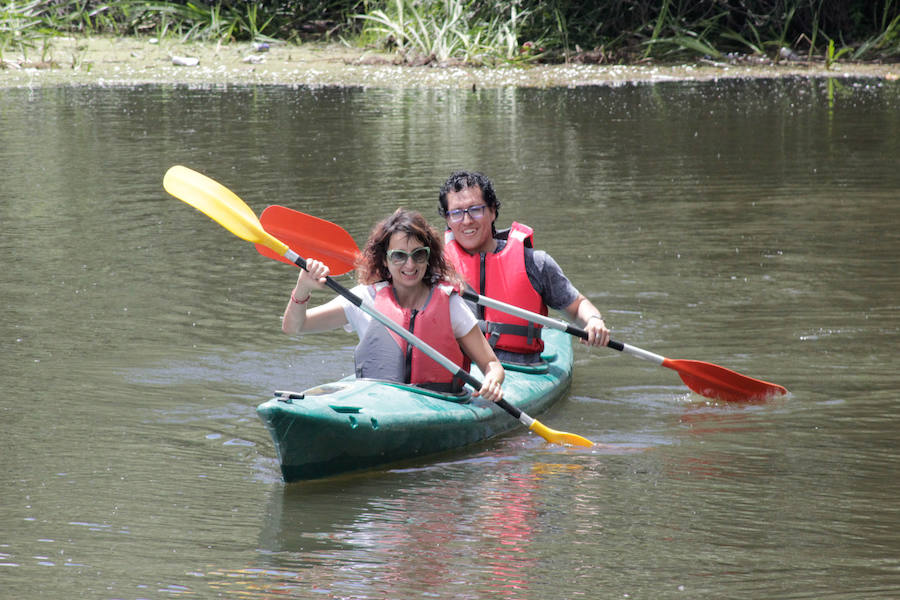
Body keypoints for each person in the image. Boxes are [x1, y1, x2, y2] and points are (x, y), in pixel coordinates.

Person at [282, 207, 504, 402]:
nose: (410, 264)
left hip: (440, 402)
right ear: (385, 260)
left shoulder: (450, 305)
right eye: (399, 256)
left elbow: (492, 365)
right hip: (377, 404)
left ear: (429, 257)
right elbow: (294, 327)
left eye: (418, 255)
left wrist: (492, 381)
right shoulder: (365, 300)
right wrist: (303, 287)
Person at [438, 170, 610, 365]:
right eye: (457, 213)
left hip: (521, 368)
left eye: (475, 209)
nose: (467, 220)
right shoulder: (435, 268)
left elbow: (577, 306)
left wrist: (594, 320)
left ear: (493, 211)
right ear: (448, 220)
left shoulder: (535, 263)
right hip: (458, 371)